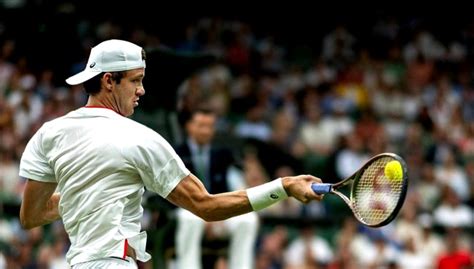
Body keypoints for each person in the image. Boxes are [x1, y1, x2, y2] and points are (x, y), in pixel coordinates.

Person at [18, 39, 324, 268]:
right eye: (135, 80)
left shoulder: (49, 133)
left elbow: (31, 216)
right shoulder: (140, 139)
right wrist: (282, 187)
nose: (142, 90)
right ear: (109, 81)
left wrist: (83, 196)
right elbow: (207, 207)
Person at [174, 107, 259, 269]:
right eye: (201, 125)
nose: (206, 131)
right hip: (187, 211)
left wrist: (216, 216)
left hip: (217, 212)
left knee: (248, 219)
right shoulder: (176, 153)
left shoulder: (222, 155)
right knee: (189, 218)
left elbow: (227, 191)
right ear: (189, 126)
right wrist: (202, 213)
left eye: (210, 126)